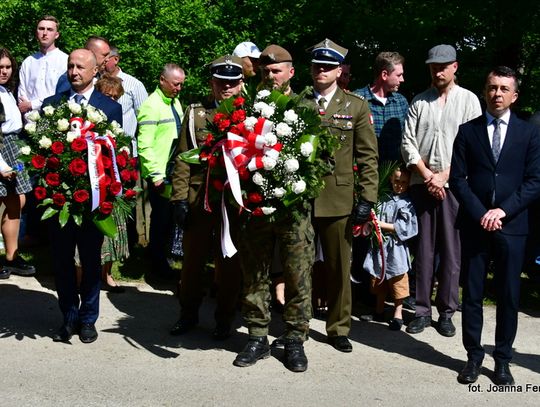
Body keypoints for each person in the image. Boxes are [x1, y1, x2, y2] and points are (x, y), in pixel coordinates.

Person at [450, 66, 540, 386]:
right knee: (473, 294)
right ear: (484, 91)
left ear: (514, 96)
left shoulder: (529, 133)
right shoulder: (468, 131)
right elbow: (458, 180)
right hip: (476, 225)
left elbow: (534, 182)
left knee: (508, 294)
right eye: (491, 88)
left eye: (503, 89)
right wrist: (481, 213)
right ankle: (473, 357)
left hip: (512, 225)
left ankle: (503, 359)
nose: (496, 94)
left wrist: (502, 211)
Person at [233, 45, 314, 373]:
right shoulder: (251, 106)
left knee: (297, 271)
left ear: (291, 72)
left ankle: (295, 338)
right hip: (257, 204)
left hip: (294, 206)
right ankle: (256, 335)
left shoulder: (305, 106)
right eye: (265, 71)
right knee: (255, 270)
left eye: (276, 71)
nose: (270, 76)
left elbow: (319, 157)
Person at [42, 49, 123, 343]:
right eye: (70, 66)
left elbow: (116, 155)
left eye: (80, 67)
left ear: (94, 72)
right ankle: (68, 316)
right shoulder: (53, 106)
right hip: (60, 200)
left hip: (93, 199)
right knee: (62, 261)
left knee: (90, 262)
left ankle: (89, 318)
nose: (74, 71)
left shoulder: (109, 108)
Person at [401, 44, 482, 337]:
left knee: (451, 250)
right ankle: (421, 310)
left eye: (443, 65)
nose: (438, 70)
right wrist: (426, 175)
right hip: (422, 185)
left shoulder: (469, 101)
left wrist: (445, 176)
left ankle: (447, 310)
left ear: (455, 67)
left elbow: (473, 147)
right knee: (423, 249)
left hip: (455, 186)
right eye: (434, 66)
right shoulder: (419, 102)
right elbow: (408, 142)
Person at [307, 39, 379, 353]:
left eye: (328, 66)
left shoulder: (356, 106)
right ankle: (297, 323)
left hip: (338, 200)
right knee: (299, 266)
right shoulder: (297, 103)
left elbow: (368, 157)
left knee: (338, 266)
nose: (321, 71)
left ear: (339, 70)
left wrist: (367, 198)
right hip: (300, 198)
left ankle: (338, 327)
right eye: (317, 66)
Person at [169, 55, 244, 340]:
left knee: (229, 266)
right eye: (220, 82)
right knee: (192, 264)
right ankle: (187, 314)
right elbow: (183, 159)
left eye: (232, 83)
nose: (226, 88)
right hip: (199, 199)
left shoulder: (253, 114)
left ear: (240, 84)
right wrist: (178, 200)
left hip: (234, 203)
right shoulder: (196, 113)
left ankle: (224, 319)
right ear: (212, 83)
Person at [137, 63, 184, 278]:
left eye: (181, 85)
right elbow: (144, 144)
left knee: (168, 220)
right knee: (160, 221)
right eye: (175, 84)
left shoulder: (175, 102)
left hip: (173, 171)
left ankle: (162, 260)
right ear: (162, 80)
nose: (179, 88)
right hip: (160, 174)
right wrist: (156, 175)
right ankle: (156, 266)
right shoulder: (151, 105)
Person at [363, 166, 417, 331]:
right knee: (379, 279)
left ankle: (397, 314)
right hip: (380, 246)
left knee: (397, 280)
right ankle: (379, 310)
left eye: (403, 183)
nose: (399, 185)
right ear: (391, 180)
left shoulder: (407, 203)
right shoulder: (383, 199)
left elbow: (407, 227)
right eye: (396, 181)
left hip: (396, 248)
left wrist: (381, 225)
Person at [0, 48, 35, 279]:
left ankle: (12, 257)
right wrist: (1, 166)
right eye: (0, 67)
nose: (4, 71)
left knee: (16, 201)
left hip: (15, 150)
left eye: (7, 67)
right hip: (2, 152)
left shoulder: (6, 90)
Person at [94, 74, 129, 292]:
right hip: (94, 172)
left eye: (116, 97)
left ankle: (106, 274)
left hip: (111, 172)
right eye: (109, 96)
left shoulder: (115, 113)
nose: (113, 101)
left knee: (113, 225)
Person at [354, 52, 408, 163]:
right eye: (398, 75)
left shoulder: (401, 102)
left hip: (395, 174)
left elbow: (407, 139)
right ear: (384, 75)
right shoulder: (357, 100)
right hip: (365, 172)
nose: (402, 79)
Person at [17, 15, 68, 116]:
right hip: (30, 121)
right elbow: (22, 94)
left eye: (49, 29)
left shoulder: (65, 60)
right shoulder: (28, 62)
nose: (45, 33)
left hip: (57, 119)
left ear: (56, 35)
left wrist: (33, 104)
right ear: (37, 33)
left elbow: (63, 94)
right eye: (41, 29)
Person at [103, 46, 148, 150]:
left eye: (106, 58)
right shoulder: (94, 82)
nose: (103, 61)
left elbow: (144, 119)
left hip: (125, 148)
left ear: (116, 59)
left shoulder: (134, 85)